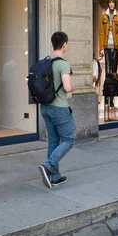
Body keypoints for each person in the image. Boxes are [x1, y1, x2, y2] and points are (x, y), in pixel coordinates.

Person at [39, 31, 75, 189]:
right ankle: (48, 166)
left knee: (53, 141)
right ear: (65, 44)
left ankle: (54, 176)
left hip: (45, 107)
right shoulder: (63, 63)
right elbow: (67, 86)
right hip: (59, 107)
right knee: (68, 139)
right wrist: (72, 87)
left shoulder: (45, 61)